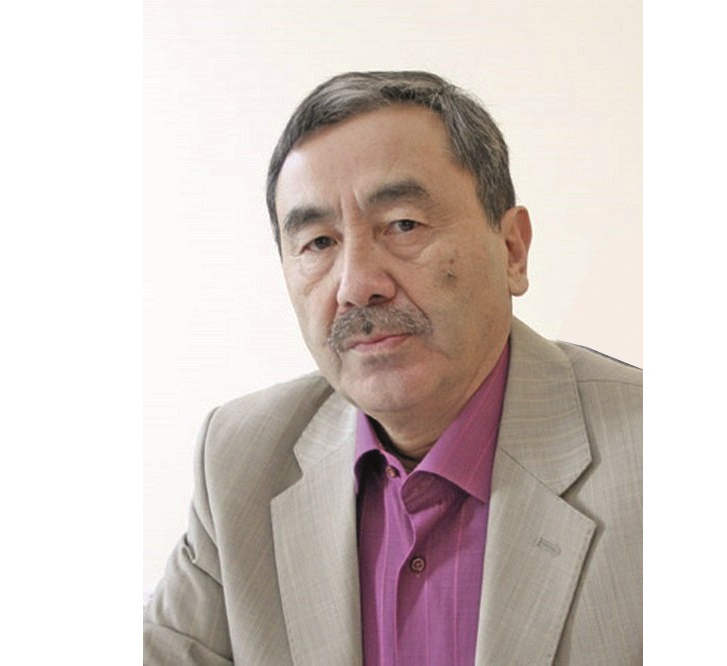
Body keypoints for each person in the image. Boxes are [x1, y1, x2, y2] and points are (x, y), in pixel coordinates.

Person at [144, 71, 641, 665]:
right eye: (318, 243)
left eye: (403, 225)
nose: (356, 286)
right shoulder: (241, 461)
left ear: (512, 249)